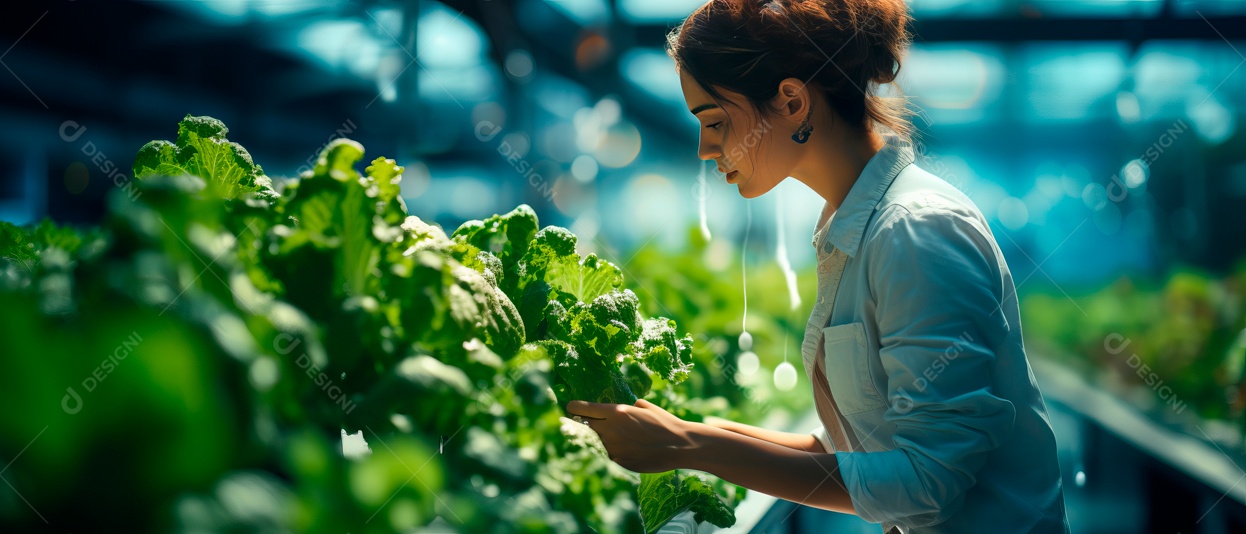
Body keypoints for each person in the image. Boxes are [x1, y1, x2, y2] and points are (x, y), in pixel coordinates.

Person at [564, 0, 1071, 532]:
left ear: (791, 102)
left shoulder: (914, 230)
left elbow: (927, 485)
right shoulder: (853, 224)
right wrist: (684, 431)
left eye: (713, 120)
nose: (703, 148)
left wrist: (689, 444)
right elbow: (859, 443)